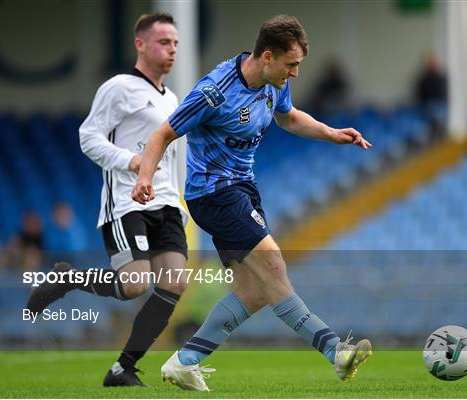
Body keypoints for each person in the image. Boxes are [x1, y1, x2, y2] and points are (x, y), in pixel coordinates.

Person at [132, 15, 373, 392]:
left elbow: (289, 118)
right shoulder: (215, 92)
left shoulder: (273, 83)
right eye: (290, 65)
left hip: (243, 189)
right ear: (266, 56)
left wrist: (332, 134)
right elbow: (162, 133)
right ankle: (335, 350)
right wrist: (145, 176)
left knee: (255, 290)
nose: (294, 73)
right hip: (212, 194)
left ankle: (185, 361)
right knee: (274, 266)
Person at [26, 12, 189, 387]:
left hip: (166, 205)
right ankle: (67, 278)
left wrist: (181, 199)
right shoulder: (118, 87)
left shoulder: (173, 98)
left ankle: (123, 369)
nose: (172, 49)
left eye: (176, 43)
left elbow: (175, 154)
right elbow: (89, 137)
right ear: (140, 44)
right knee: (133, 286)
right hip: (128, 203)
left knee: (174, 283)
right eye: (164, 42)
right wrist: (130, 161)